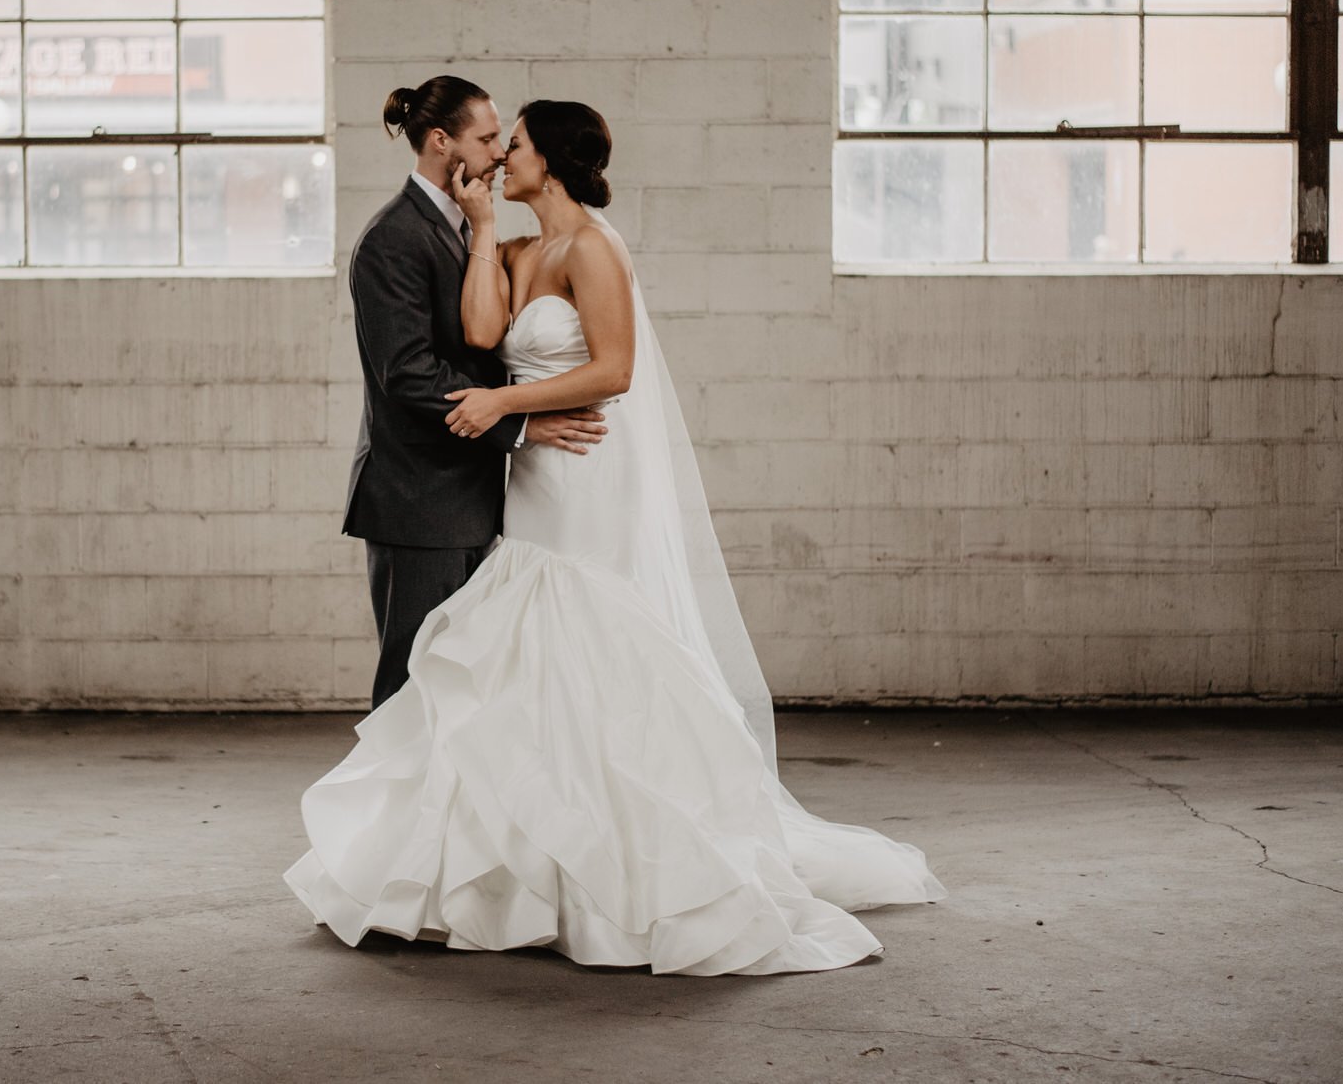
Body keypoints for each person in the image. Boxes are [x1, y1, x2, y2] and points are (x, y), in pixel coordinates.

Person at [289, 99, 947, 976]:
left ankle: (621, 850)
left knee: (591, 643)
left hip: (585, 474)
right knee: (528, 659)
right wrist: (484, 228)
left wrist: (508, 404)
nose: (498, 158)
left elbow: (615, 368)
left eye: (510, 145)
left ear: (549, 160)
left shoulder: (596, 247)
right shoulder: (518, 247)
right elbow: (485, 332)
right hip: (530, 482)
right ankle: (528, 857)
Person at [343, 76, 611, 710]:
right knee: (414, 684)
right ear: (441, 142)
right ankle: (392, 811)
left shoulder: (468, 227)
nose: (498, 153)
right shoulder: (393, 239)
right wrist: (520, 427)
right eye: (488, 138)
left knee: (463, 688)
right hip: (420, 499)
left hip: (475, 496)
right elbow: (408, 374)